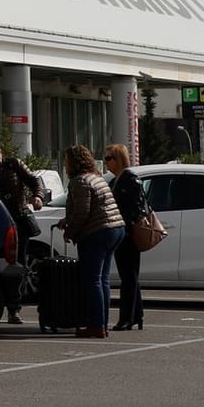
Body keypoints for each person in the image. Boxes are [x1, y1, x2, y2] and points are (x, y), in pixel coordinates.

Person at [55, 144, 125, 339]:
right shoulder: (97, 178)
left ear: (73, 163)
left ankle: (95, 325)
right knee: (102, 280)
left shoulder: (80, 181)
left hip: (98, 233)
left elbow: (83, 212)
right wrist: (67, 220)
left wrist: (71, 231)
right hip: (115, 229)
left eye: (67, 160)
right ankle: (102, 323)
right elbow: (91, 207)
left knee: (92, 280)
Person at [0, 140, 43, 324]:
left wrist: (37, 196)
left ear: (1, 153)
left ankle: (14, 309)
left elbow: (34, 180)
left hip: (19, 222)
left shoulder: (13, 164)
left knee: (18, 267)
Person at [103, 143, 145, 331]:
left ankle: (127, 318)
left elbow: (137, 208)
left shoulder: (130, 179)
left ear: (119, 159)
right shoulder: (114, 181)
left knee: (129, 276)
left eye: (109, 158)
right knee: (129, 275)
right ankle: (136, 314)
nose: (106, 162)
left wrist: (125, 226)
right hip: (120, 232)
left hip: (128, 233)